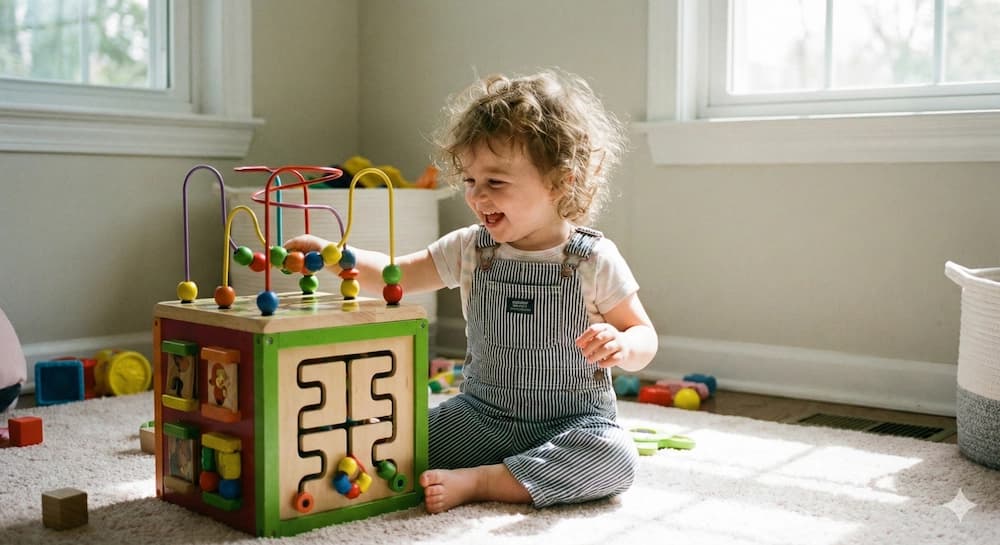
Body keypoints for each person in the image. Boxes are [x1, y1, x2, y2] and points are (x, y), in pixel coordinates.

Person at [284, 69, 657, 513]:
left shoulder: (592, 259)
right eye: (469, 181)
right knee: (388, 438)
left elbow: (644, 335)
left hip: (572, 421)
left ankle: (485, 481)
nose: (478, 196)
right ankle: (511, 468)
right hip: (478, 417)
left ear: (560, 182)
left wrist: (622, 344)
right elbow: (396, 276)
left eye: (495, 182)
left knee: (616, 460)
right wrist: (335, 257)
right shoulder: (470, 248)